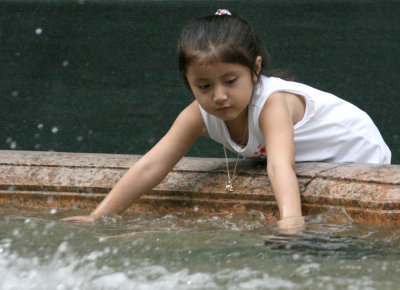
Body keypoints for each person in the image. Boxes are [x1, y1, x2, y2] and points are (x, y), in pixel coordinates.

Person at [62, 9, 391, 230]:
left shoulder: (273, 103)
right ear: (188, 83)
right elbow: (152, 165)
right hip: (310, 163)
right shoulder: (197, 114)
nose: (218, 96)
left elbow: (279, 167)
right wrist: (97, 217)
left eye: (230, 81)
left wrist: (291, 224)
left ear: (256, 68)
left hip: (358, 158)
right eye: (204, 86)